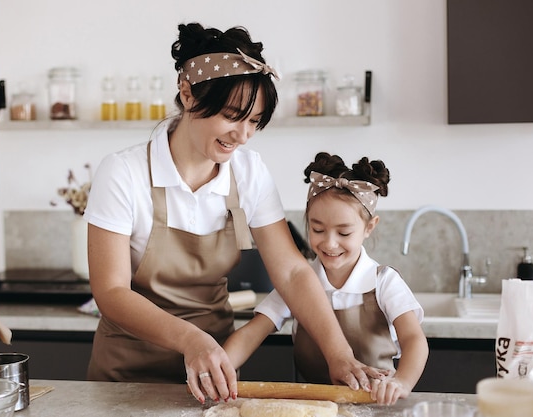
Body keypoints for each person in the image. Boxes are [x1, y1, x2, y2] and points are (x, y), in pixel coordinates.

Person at [83, 23, 386, 404]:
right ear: (187, 93)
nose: (243, 136)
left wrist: (338, 354)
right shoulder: (124, 172)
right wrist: (191, 339)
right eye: (232, 116)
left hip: (215, 377)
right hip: (125, 376)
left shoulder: (248, 171)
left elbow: (292, 272)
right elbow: (110, 292)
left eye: (254, 122)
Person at [224, 152, 429, 405]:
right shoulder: (298, 283)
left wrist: (401, 381)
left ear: (369, 227)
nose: (330, 243)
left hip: (375, 407)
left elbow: (414, 339)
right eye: (317, 229)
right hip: (311, 409)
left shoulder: (384, 282)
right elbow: (251, 333)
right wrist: (219, 367)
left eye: (344, 232)